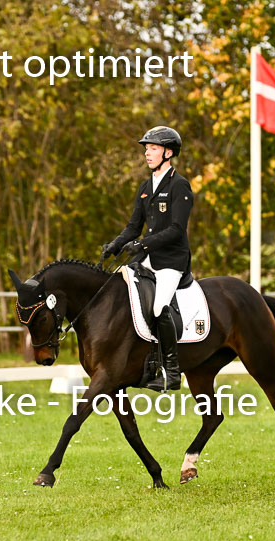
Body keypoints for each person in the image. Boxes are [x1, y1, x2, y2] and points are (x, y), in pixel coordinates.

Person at [101, 125, 194, 392]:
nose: (147, 153)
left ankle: (172, 371)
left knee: (158, 307)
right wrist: (116, 244)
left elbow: (176, 229)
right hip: (146, 258)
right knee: (120, 296)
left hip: (171, 261)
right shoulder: (145, 187)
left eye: (153, 148)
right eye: (146, 149)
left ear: (168, 152)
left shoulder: (179, 185)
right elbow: (133, 226)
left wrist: (142, 244)